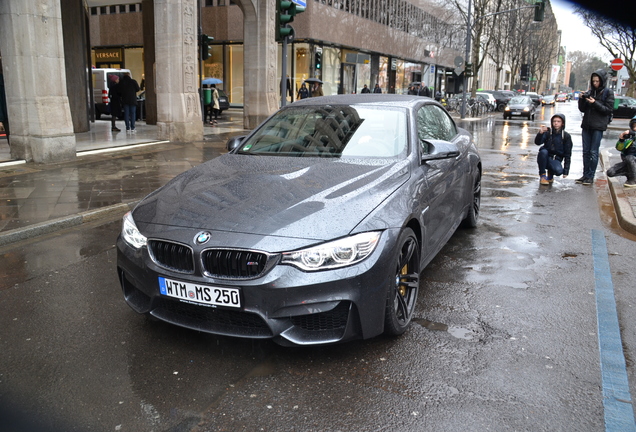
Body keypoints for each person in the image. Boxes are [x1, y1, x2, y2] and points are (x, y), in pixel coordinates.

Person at [577, 69, 614, 185]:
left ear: (602, 81)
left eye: (597, 81)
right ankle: (585, 174)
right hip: (586, 125)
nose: (595, 83)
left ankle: (590, 176)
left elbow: (608, 110)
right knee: (585, 152)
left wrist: (595, 103)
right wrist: (581, 99)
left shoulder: (608, 93)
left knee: (593, 152)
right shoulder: (590, 92)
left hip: (598, 126)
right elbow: (582, 109)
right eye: (593, 81)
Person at [534, 113, 572, 185]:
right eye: (554, 121)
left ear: (562, 123)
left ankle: (550, 174)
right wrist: (540, 133)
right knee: (543, 152)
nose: (556, 123)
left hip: (556, 158)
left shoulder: (566, 136)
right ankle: (542, 175)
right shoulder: (548, 132)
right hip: (546, 156)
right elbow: (537, 142)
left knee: (558, 171)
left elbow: (568, 154)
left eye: (558, 121)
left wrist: (566, 171)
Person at [606, 116, 636, 188]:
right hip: (628, 162)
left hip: (631, 159)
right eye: (634, 126)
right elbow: (619, 148)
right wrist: (621, 140)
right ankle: (630, 175)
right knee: (611, 172)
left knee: (629, 158)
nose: (635, 128)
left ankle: (633, 180)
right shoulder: (630, 137)